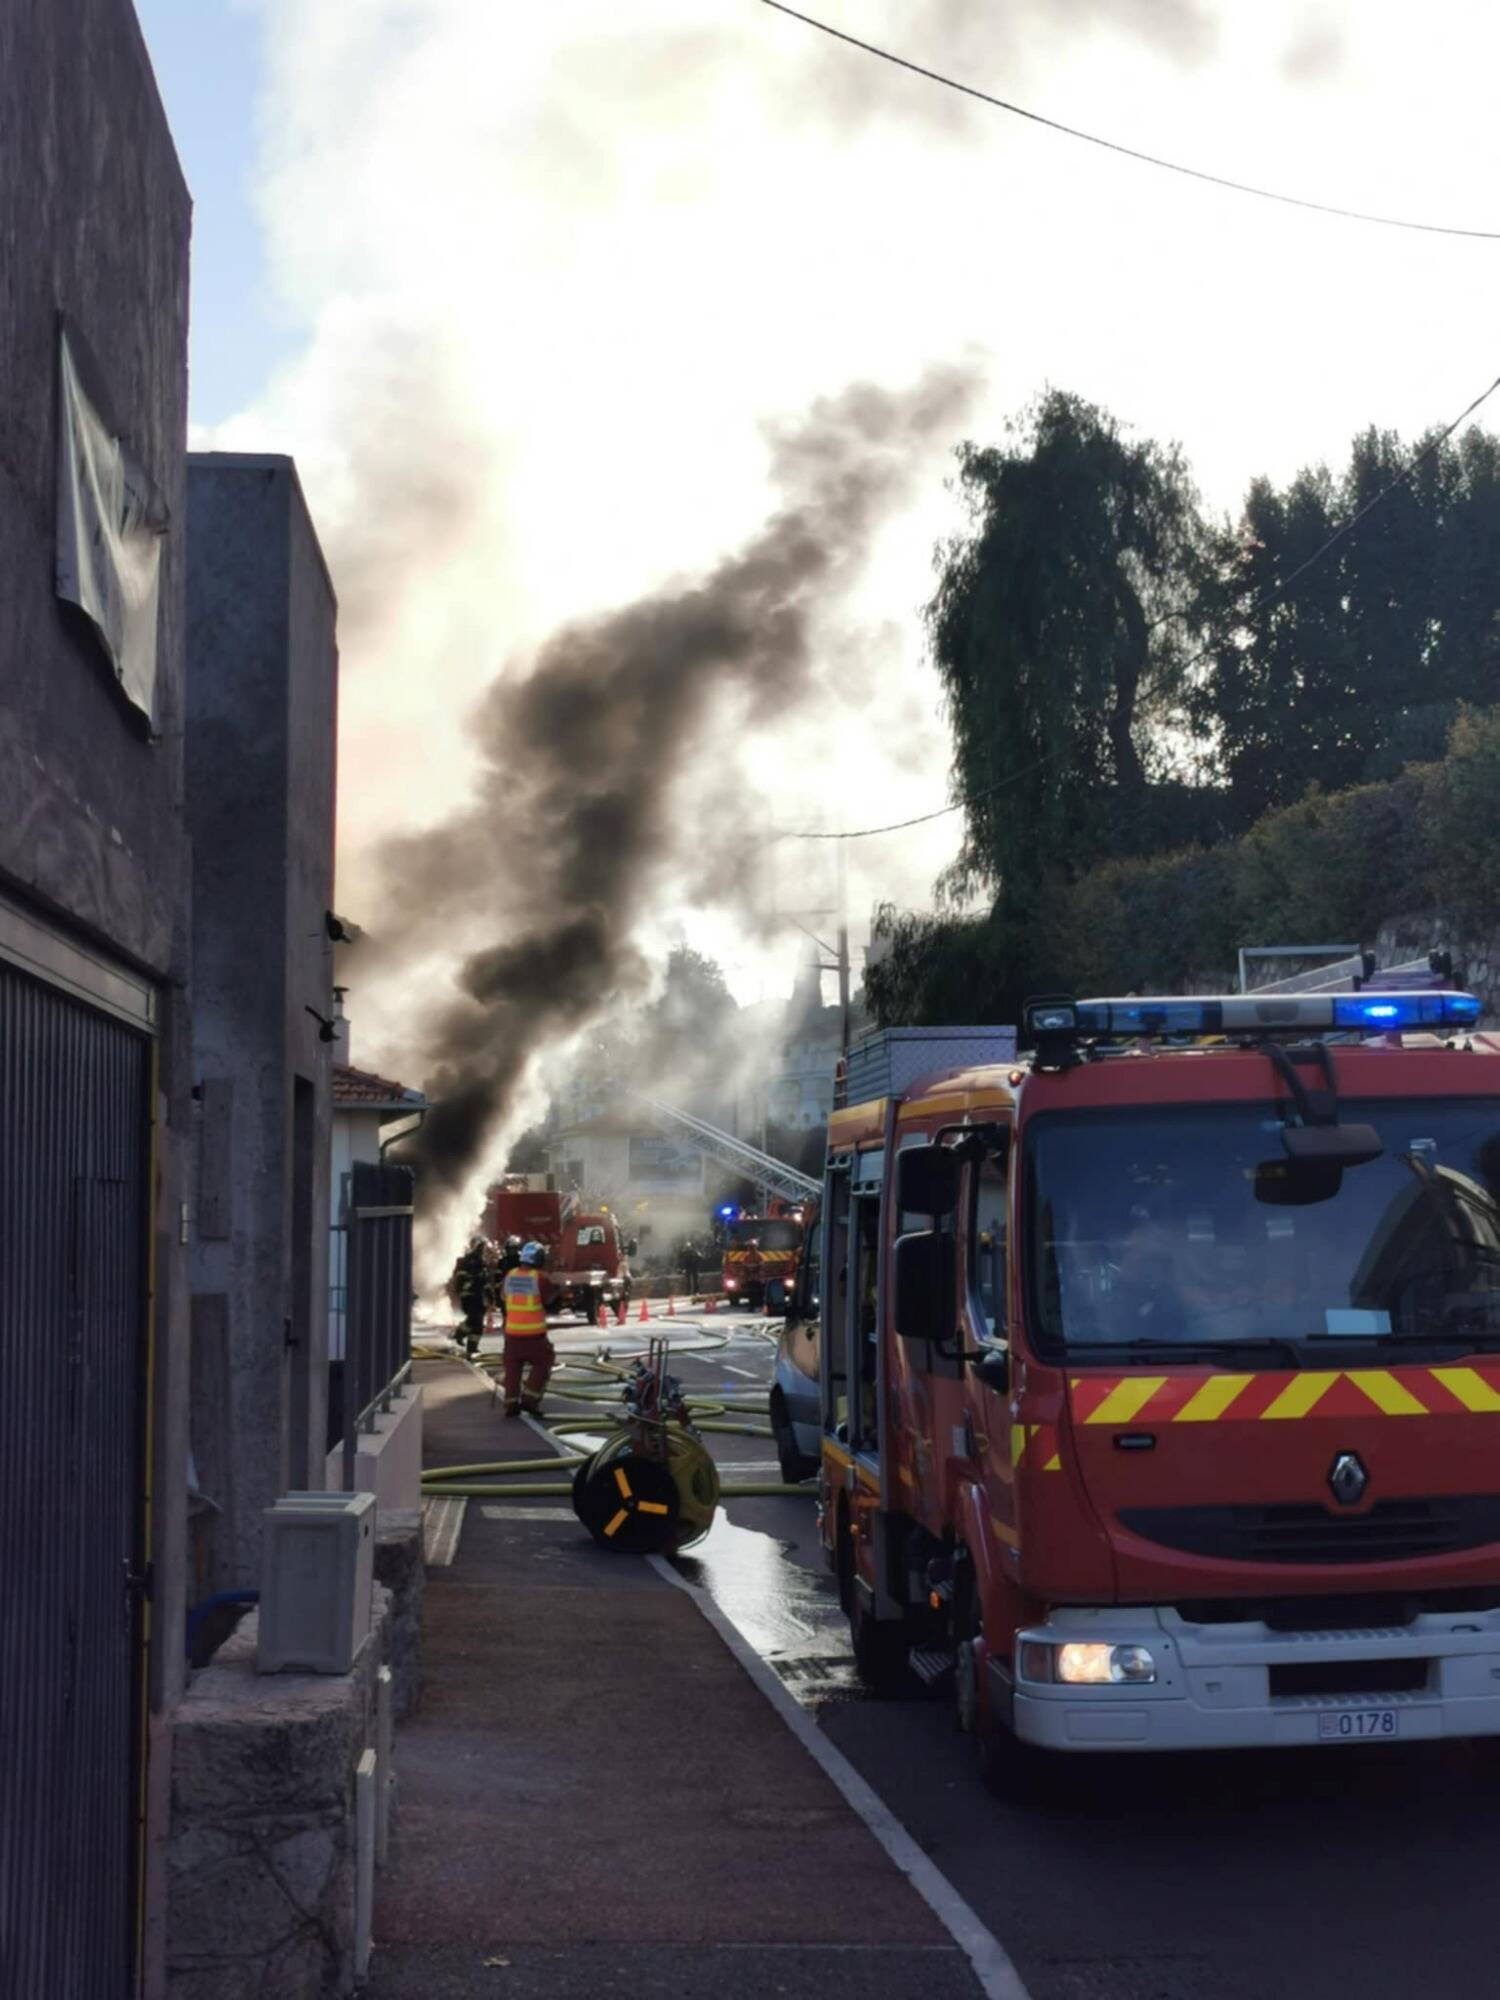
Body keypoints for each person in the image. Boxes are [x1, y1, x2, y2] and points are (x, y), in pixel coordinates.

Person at [500, 1240, 555, 1417]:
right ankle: (530, 1401)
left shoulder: (510, 1275)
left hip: (511, 1335)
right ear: (538, 1259)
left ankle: (510, 1405)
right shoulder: (540, 1277)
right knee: (544, 1363)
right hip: (534, 1336)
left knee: (512, 1370)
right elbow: (549, 1300)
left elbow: (503, 1296)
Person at [451, 1235, 490, 1358]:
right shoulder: (468, 1261)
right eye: (481, 1247)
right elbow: (460, 1278)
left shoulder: (481, 1261)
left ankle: (472, 1348)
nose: (483, 1250)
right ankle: (459, 1333)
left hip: (478, 1295)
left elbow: (486, 1282)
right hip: (470, 1295)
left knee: (478, 1324)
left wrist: (491, 1298)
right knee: (474, 1319)